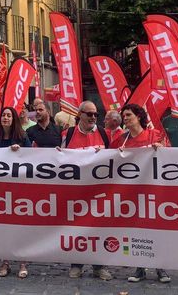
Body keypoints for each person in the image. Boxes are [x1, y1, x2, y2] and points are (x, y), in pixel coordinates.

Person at [116, 103, 170, 285]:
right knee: (136, 228)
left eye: (128, 115)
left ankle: (160, 266)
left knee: (155, 229)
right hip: (132, 192)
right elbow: (108, 161)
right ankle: (140, 267)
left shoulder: (155, 135)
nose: (125, 118)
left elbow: (172, 157)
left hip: (155, 190)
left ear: (139, 116)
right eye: (124, 116)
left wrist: (161, 150)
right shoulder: (121, 140)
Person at [62, 101, 112, 281]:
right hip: (76, 193)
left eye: (95, 115)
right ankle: (76, 264)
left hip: (98, 192)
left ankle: (99, 267)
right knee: (77, 228)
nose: (92, 117)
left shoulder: (105, 135)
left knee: (98, 229)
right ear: (79, 114)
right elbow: (59, 159)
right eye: (89, 114)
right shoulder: (67, 134)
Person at [0, 106, 31, 278]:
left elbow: (32, 158)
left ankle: (22, 262)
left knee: (19, 226)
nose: (5, 118)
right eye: (3, 115)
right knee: (3, 226)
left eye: (9, 115)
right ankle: (5, 261)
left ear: (14, 119)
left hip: (18, 188)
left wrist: (19, 151)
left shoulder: (22, 137)